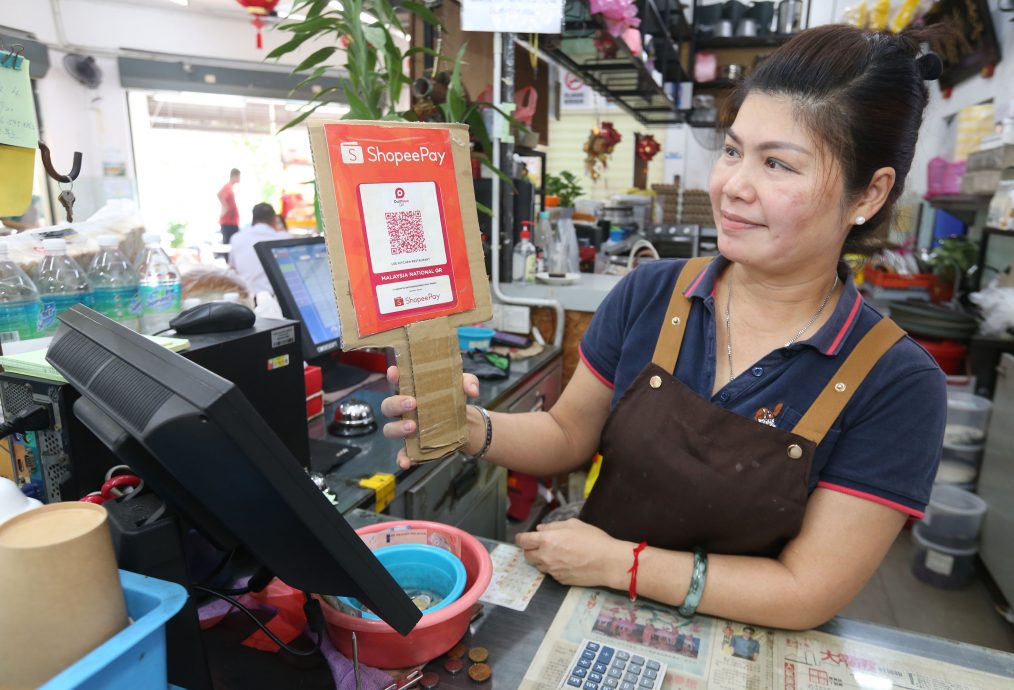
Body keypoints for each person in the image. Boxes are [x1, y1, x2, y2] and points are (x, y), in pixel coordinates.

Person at [382, 25, 947, 631]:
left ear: (870, 193)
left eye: (778, 163)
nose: (733, 186)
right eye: (732, 151)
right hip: (591, 615)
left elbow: (806, 591)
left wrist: (620, 563)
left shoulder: (896, 382)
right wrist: (474, 428)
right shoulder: (652, 292)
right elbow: (568, 434)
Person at [229, 203, 290, 295]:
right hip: (278, 298)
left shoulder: (236, 238)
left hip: (249, 297)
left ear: (253, 219)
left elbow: (233, 268)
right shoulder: (285, 238)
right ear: (274, 220)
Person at [218, 168, 241, 244]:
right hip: (228, 223)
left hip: (232, 222)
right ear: (235, 176)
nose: (239, 179)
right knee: (229, 245)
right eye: (239, 176)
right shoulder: (227, 187)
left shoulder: (230, 187)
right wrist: (225, 207)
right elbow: (219, 195)